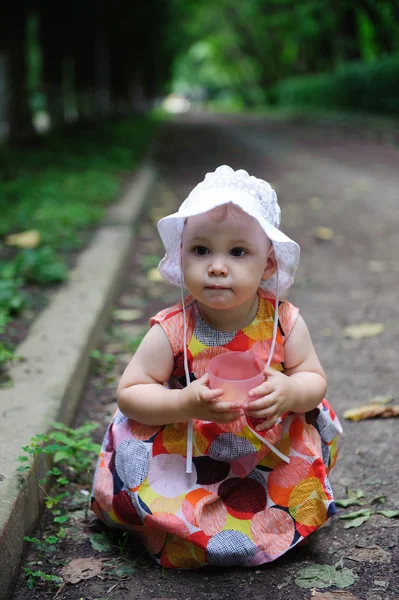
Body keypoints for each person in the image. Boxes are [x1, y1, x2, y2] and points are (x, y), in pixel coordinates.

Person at [91, 165, 342, 569]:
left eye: (238, 252)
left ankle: (272, 520)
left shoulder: (283, 321)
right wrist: (184, 403)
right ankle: (183, 525)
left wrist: (291, 392)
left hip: (265, 447)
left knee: (300, 460)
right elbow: (132, 392)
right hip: (188, 451)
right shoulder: (174, 328)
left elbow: (314, 379)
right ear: (181, 255)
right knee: (144, 476)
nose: (217, 266)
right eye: (201, 250)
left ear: (269, 264)